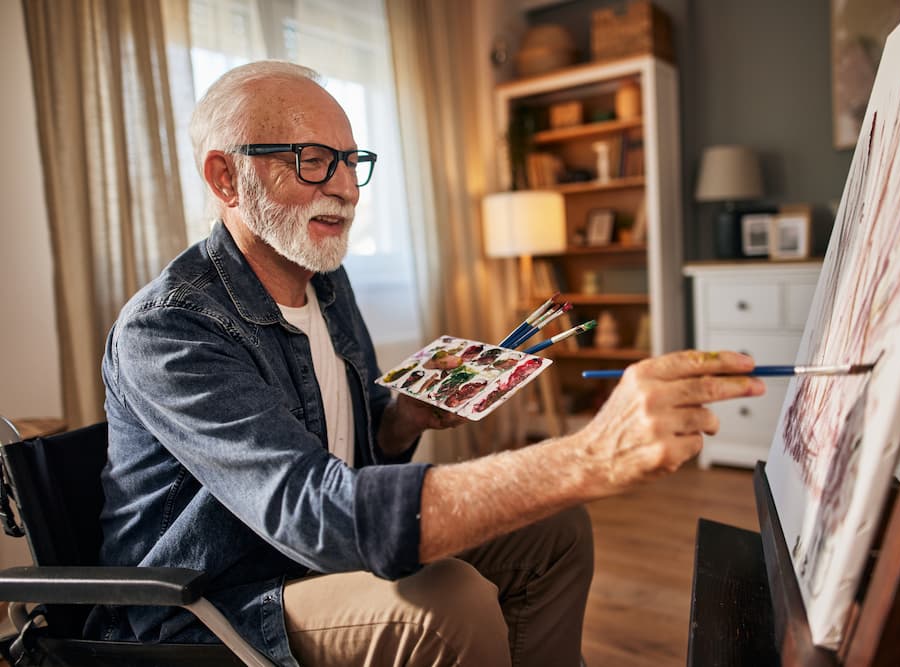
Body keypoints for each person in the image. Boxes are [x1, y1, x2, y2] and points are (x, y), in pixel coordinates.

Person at [88, 60, 765, 667]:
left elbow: (347, 455)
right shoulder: (170, 328)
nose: (348, 188)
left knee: (555, 530)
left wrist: (402, 415)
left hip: (309, 553)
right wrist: (588, 456)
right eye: (316, 160)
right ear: (226, 176)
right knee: (453, 606)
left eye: (354, 161)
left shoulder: (323, 279)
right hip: (214, 603)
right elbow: (317, 514)